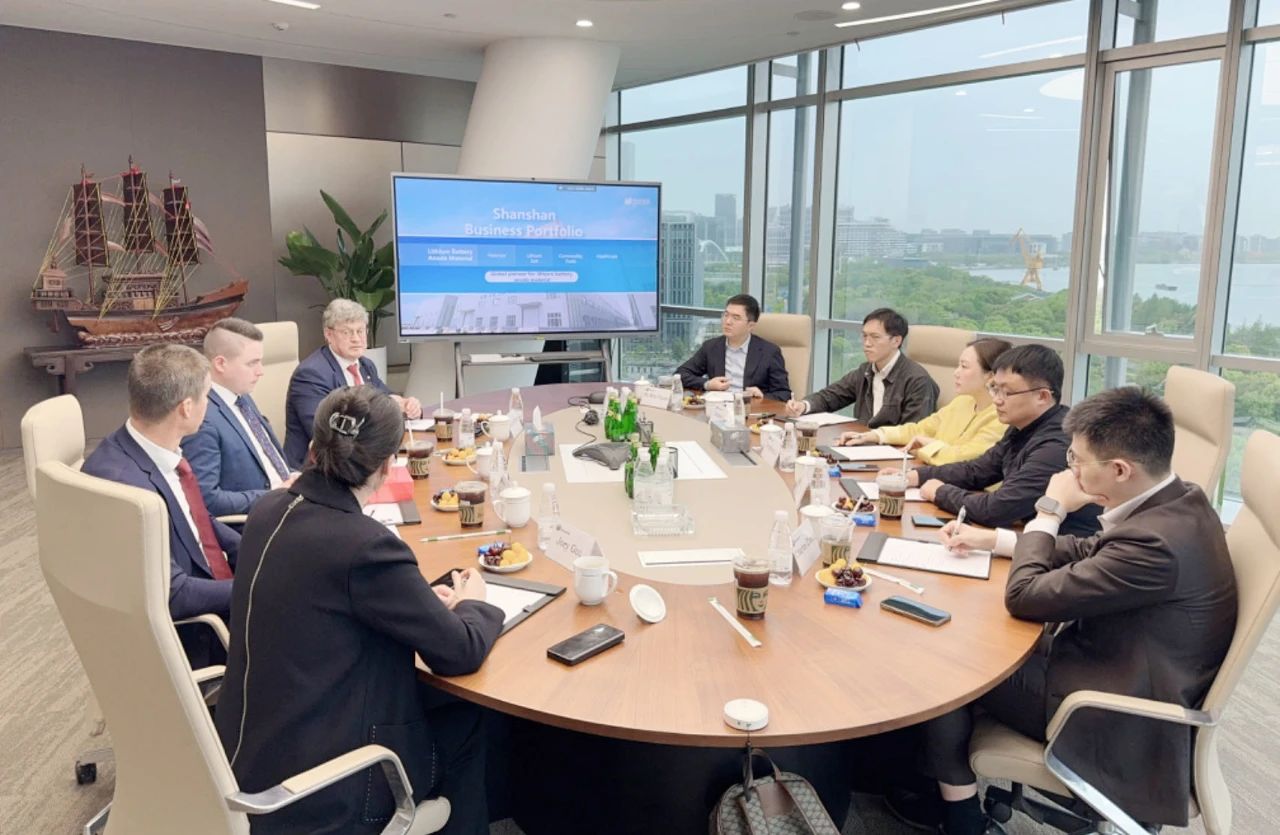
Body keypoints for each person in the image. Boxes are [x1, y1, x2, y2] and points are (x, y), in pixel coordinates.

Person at [892, 387, 1238, 834]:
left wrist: (1050, 511)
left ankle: (961, 821)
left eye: (1077, 460)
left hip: (1108, 709)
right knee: (968, 634)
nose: (1068, 470)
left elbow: (1024, 597)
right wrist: (995, 541)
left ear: (1120, 469)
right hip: (1116, 662)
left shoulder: (1156, 545)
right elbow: (1093, 549)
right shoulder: (1180, 500)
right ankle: (927, 771)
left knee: (949, 668)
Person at [216, 385, 504, 835]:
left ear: (314, 448)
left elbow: (329, 600)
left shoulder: (268, 509)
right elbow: (460, 652)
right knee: (467, 719)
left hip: (246, 758)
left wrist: (418, 600)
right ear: (388, 464)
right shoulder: (365, 547)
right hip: (329, 790)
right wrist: (474, 604)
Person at [81, 343, 239, 663]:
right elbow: (174, 594)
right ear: (186, 408)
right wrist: (260, 586)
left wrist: (262, 550)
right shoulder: (126, 490)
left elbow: (196, 519)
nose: (209, 404)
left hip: (211, 585)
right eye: (207, 396)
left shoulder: (147, 449)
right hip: (201, 633)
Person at [881, 344, 1101, 536]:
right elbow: (978, 470)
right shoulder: (1022, 426)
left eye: (1007, 392)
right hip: (1026, 537)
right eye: (995, 388)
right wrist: (916, 476)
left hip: (1063, 552)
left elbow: (997, 509)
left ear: (1042, 396)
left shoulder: (1057, 444)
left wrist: (940, 492)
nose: (996, 400)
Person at [284, 298, 423, 468]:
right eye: (347, 332)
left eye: (360, 331)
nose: (356, 339)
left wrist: (406, 405)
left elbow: (386, 398)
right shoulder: (311, 374)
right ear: (329, 334)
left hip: (361, 458)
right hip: (321, 467)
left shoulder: (365, 365)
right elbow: (326, 434)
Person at [183, 318, 297, 517]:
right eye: (252, 363)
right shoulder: (202, 419)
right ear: (220, 364)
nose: (261, 371)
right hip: (261, 520)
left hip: (288, 501)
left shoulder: (241, 397)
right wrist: (275, 495)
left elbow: (268, 461)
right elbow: (206, 499)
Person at [838, 338, 1011, 465]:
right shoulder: (963, 402)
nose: (956, 373)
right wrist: (874, 435)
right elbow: (919, 429)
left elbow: (962, 459)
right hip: (935, 477)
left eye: (964, 367)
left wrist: (926, 447)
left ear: (991, 376)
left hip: (973, 494)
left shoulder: (1002, 417)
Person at [785, 308, 938, 427]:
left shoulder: (918, 381)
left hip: (892, 453)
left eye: (875, 337)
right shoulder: (866, 371)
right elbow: (831, 396)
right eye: (864, 336)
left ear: (896, 341)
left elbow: (912, 433)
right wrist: (803, 406)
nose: (867, 343)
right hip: (861, 445)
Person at [675, 294, 791, 400]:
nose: (728, 321)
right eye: (726, 315)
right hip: (717, 408)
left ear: (751, 325)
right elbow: (680, 374)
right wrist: (708, 384)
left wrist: (762, 397)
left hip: (750, 410)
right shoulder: (711, 347)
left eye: (736, 318)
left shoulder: (769, 352)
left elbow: (784, 393)